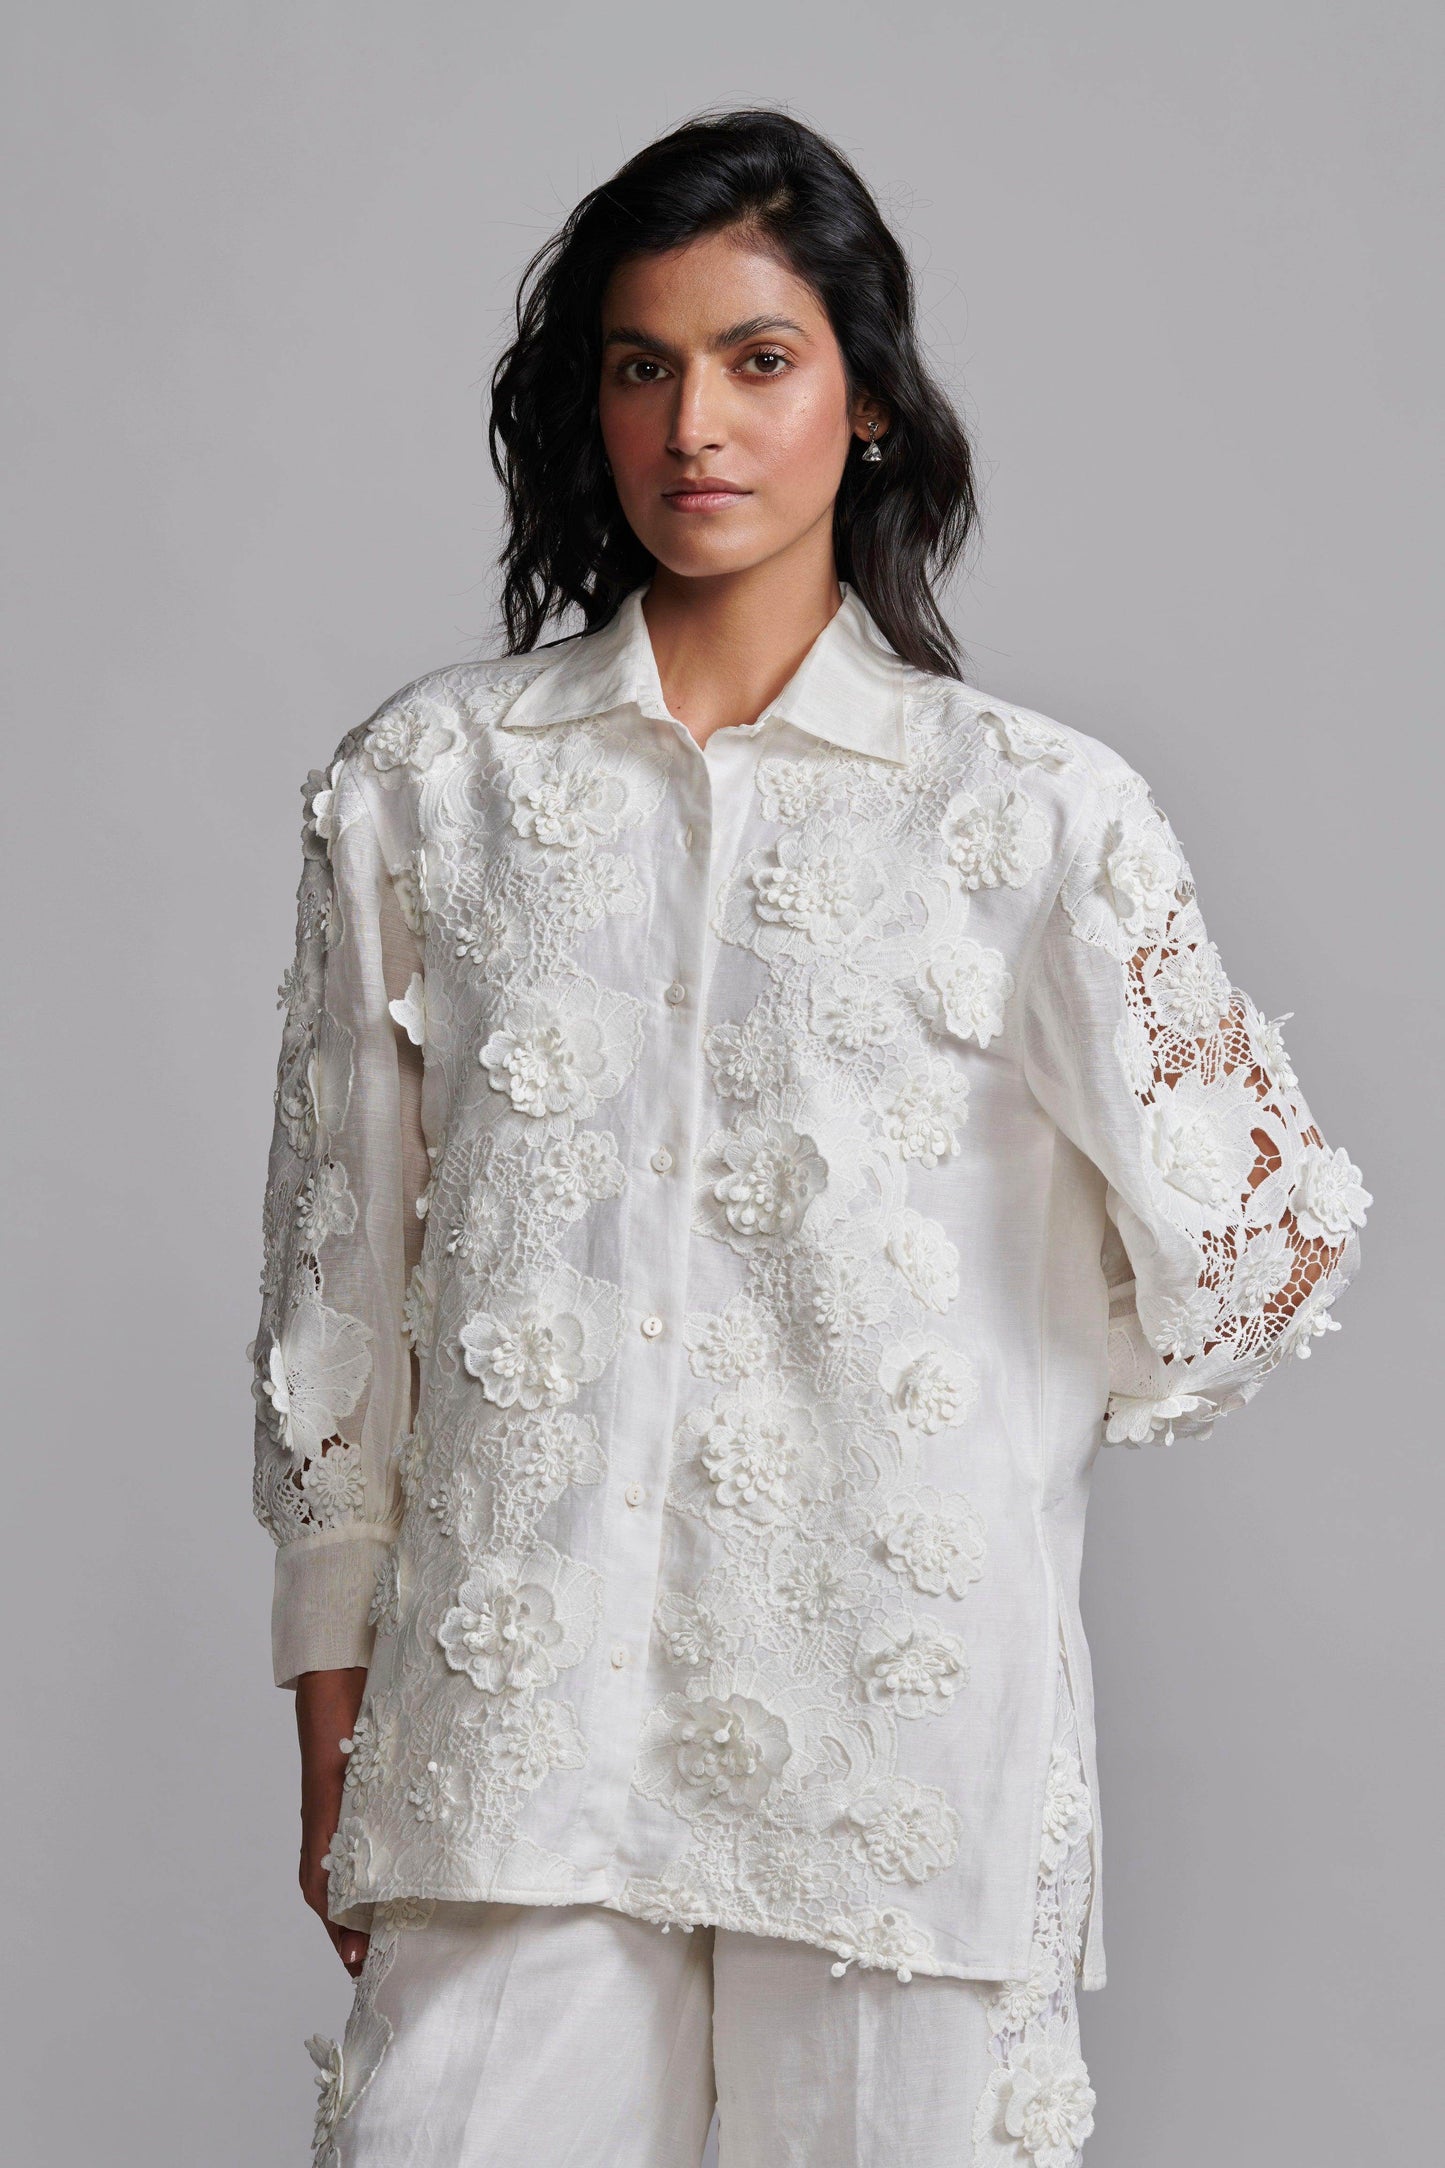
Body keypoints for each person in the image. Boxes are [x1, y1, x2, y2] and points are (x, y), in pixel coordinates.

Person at [250, 109, 1368, 2168]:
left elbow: (1268, 1236)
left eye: (757, 359)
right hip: (514, 1723)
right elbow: (342, 1295)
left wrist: (980, 1395)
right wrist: (335, 1707)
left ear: (864, 402)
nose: (695, 423)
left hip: (895, 1745)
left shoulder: (1026, 813)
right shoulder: (428, 788)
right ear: (590, 406)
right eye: (642, 364)